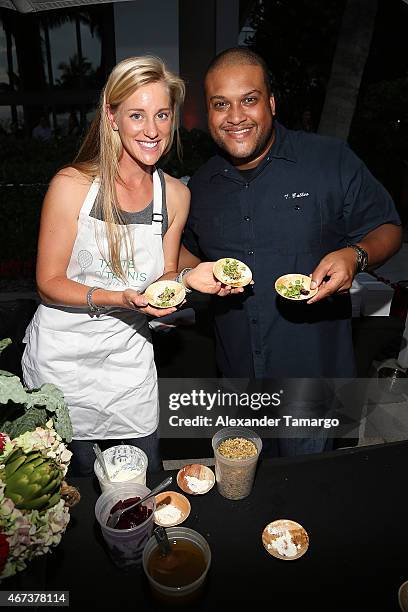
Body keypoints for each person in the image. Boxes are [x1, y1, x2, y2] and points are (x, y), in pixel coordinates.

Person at [178, 47, 402, 455]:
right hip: (237, 383)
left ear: (272, 103)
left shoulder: (328, 160)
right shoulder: (202, 185)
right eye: (220, 104)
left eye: (249, 100)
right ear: (208, 113)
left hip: (310, 382)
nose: (236, 116)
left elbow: (388, 227)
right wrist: (192, 274)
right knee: (245, 494)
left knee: (305, 503)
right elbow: (188, 254)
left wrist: (356, 256)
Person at [21, 56, 216, 476]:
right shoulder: (72, 185)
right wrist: (120, 298)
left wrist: (186, 280)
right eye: (137, 115)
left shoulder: (176, 196)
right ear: (112, 116)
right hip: (62, 366)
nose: (152, 130)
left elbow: (165, 273)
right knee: (71, 490)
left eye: (162, 114)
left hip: (129, 366)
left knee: (140, 484)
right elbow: (48, 282)